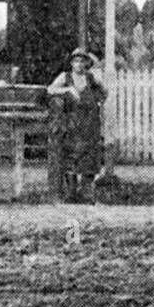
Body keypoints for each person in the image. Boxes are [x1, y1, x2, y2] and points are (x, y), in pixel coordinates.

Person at [47, 48, 107, 203]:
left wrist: (98, 101)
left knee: (90, 157)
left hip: (90, 123)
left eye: (82, 61)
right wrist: (68, 89)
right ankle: (71, 193)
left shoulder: (91, 78)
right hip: (72, 123)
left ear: (86, 63)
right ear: (71, 63)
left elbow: (104, 92)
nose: (79, 64)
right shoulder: (65, 77)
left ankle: (87, 193)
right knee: (72, 156)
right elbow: (50, 89)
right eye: (76, 61)